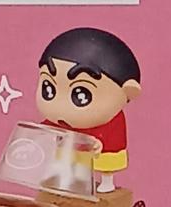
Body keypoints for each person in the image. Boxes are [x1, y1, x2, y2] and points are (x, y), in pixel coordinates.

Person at [35, 27, 141, 192]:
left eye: (82, 94)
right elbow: (46, 130)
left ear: (128, 91)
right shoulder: (58, 122)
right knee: (68, 160)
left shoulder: (112, 121)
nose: (62, 107)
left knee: (105, 163)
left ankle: (107, 181)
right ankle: (67, 178)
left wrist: (98, 142)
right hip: (70, 146)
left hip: (100, 148)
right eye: (48, 89)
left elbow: (112, 138)